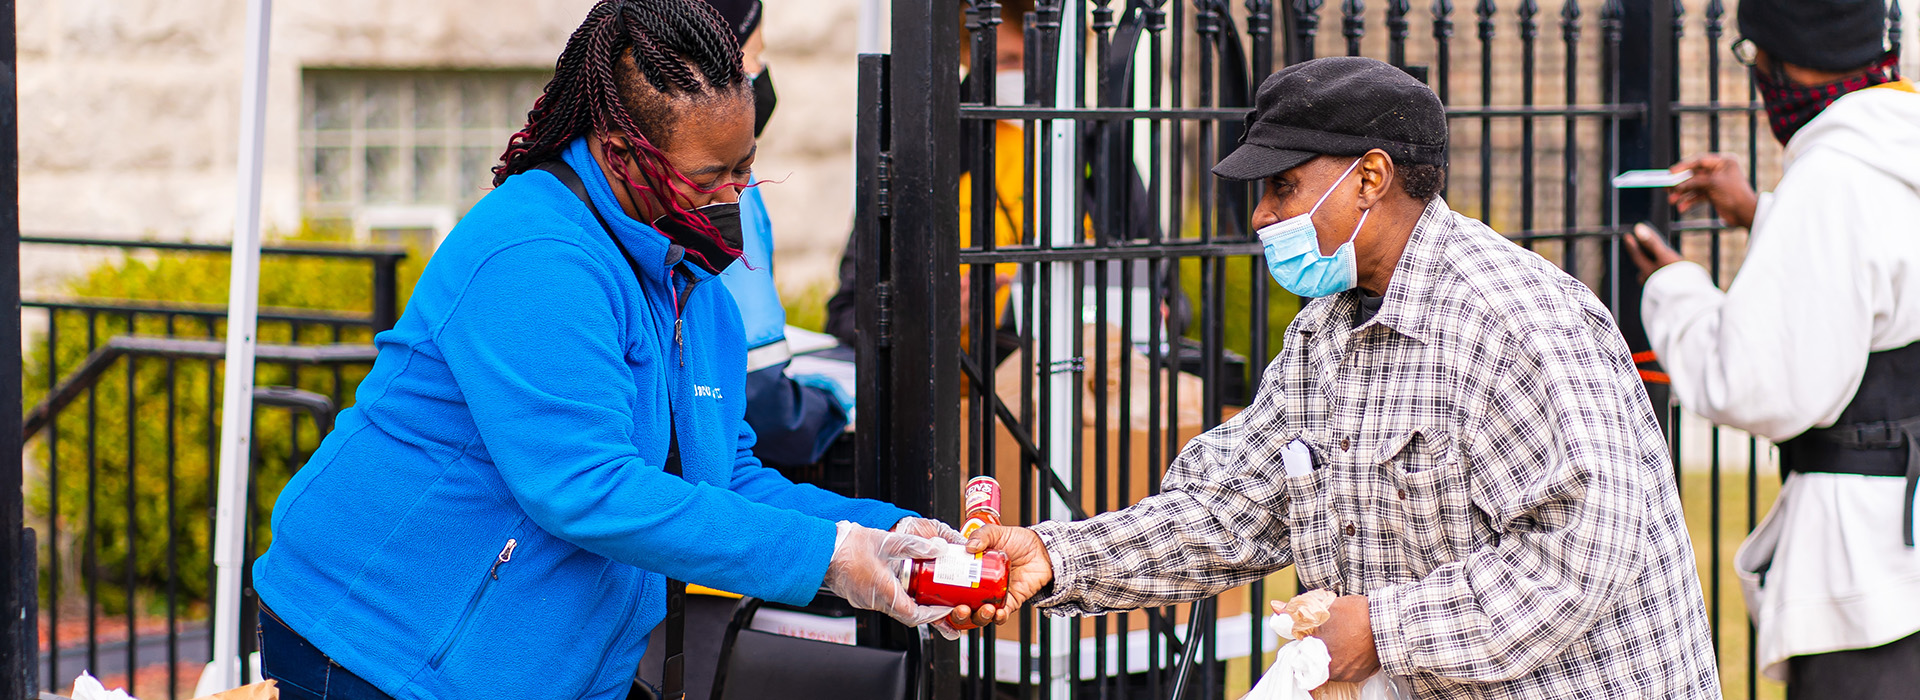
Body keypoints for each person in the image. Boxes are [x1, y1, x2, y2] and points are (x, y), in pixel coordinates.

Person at [250, 2, 960, 699]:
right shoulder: (534, 252)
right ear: (619, 154)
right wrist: (829, 560)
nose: (734, 195)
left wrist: (886, 534)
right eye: (709, 177)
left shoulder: (696, 284)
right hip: (377, 644)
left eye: (745, 167)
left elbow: (726, 479)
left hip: (537, 664)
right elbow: (587, 486)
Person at [961, 56, 1721, 699]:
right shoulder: (1325, 333)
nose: (1259, 217)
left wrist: (1382, 631)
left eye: (1282, 187)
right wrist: (1056, 556)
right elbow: (1227, 508)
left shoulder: (1515, 322)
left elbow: (1577, 557)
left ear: (1370, 179)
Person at [1623, 0, 1920, 696]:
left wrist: (1674, 286)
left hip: (1861, 570)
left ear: (1776, 60)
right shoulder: (1898, 145)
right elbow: (1883, 278)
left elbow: (1756, 384)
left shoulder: (1832, 178)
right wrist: (1765, 213)